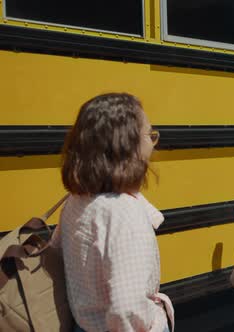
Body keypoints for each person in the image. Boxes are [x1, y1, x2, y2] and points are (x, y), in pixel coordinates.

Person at [57, 93, 173, 332]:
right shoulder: (124, 213)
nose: (153, 143)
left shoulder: (77, 201)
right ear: (126, 146)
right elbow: (126, 309)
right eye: (149, 135)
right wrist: (157, 321)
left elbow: (59, 256)